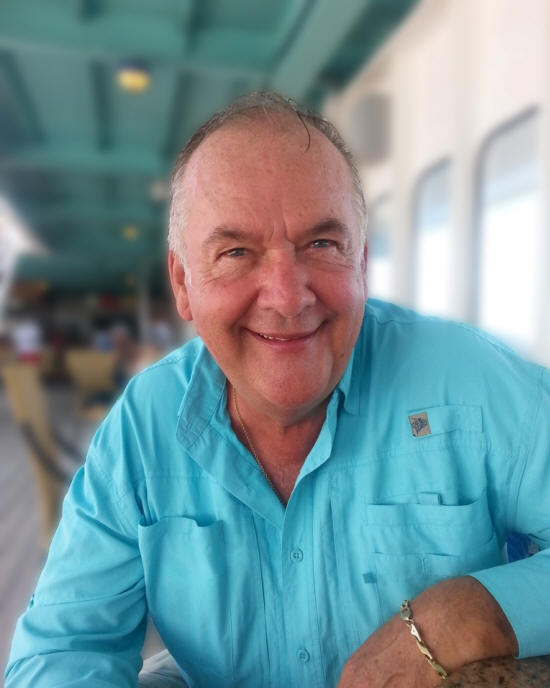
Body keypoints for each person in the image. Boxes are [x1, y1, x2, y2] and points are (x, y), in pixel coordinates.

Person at [5, 92, 550, 688]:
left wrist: (465, 614)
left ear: (361, 263)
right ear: (183, 283)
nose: (288, 298)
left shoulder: (467, 380)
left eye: (322, 244)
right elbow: (62, 649)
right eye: (236, 252)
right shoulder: (144, 428)